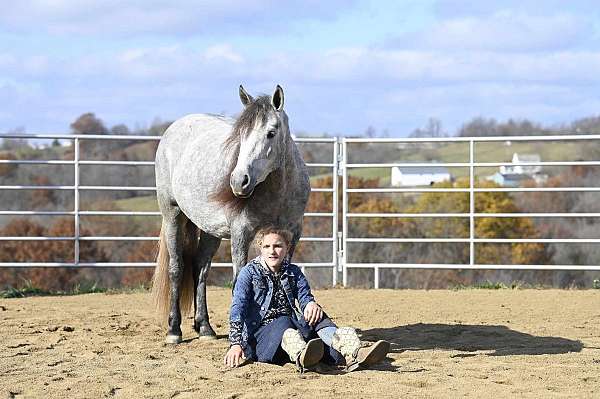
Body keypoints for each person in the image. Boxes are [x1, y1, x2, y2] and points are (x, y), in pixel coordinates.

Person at [223, 226, 390, 372]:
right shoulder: (248, 273)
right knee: (283, 321)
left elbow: (304, 297)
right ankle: (302, 355)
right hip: (261, 340)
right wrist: (235, 344)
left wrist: (310, 304)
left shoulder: (293, 271)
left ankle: (352, 352)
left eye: (278, 246)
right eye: (267, 246)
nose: (272, 251)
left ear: (287, 247)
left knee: (318, 318)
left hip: (292, 332)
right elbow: (238, 309)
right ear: (260, 248)